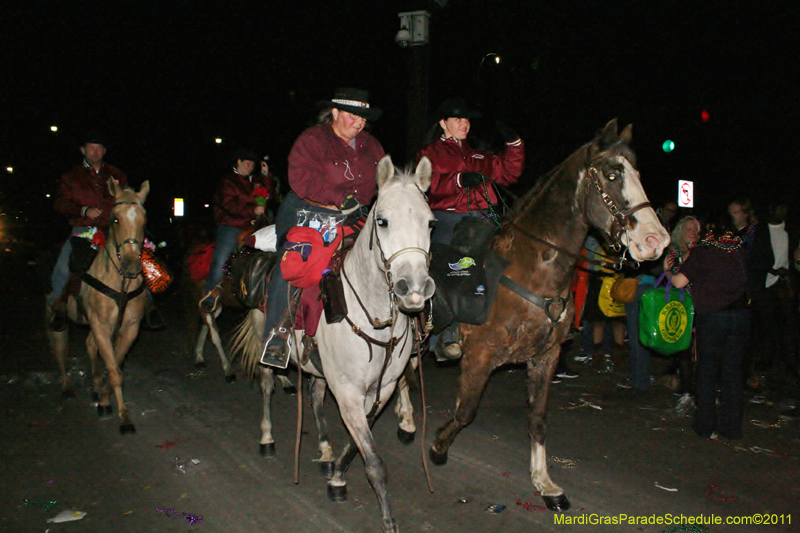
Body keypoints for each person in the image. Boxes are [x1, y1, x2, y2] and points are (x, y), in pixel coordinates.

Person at [261, 88, 385, 366]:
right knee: (296, 260)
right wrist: (341, 200)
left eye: (363, 118)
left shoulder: (372, 146)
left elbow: (382, 181)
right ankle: (277, 337)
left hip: (355, 216)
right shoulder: (313, 139)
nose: (359, 122)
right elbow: (302, 177)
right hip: (307, 212)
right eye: (353, 115)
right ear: (335, 112)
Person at [418, 97, 525, 360]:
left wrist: (513, 143)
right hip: (448, 217)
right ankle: (446, 331)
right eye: (457, 119)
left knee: (511, 255)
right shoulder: (430, 152)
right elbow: (427, 182)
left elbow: (509, 174)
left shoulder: (479, 154)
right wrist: (457, 180)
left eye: (466, 120)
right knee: (455, 263)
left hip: (483, 216)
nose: (464, 124)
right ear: (443, 123)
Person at [665, 222, 750, 442]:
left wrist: (667, 270)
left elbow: (679, 282)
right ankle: (731, 428)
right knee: (732, 373)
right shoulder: (739, 250)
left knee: (707, 370)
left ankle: (705, 425)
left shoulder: (703, 251)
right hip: (740, 316)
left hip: (713, 317)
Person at [49, 132, 129, 331]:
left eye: (99, 148)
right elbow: (60, 203)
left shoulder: (116, 174)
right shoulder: (71, 177)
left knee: (142, 257)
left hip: (113, 229)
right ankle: (58, 306)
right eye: (91, 147)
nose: (96, 151)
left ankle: (149, 304)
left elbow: (127, 198)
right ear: (82, 150)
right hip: (83, 228)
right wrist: (83, 210)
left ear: (105, 151)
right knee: (63, 267)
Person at [199, 148, 274, 312]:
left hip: (253, 226)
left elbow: (267, 196)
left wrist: (266, 176)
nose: (250, 166)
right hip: (231, 225)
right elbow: (230, 205)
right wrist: (253, 210)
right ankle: (210, 293)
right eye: (247, 163)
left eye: (252, 164)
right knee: (221, 259)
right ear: (238, 161)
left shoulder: (255, 181)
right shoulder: (228, 181)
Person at [661, 215, 701, 411]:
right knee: (684, 349)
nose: (693, 233)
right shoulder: (674, 250)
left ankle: (697, 389)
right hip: (680, 306)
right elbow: (671, 276)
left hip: (701, 306)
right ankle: (687, 391)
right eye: (689, 229)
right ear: (680, 231)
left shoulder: (702, 251)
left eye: (696, 230)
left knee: (699, 351)